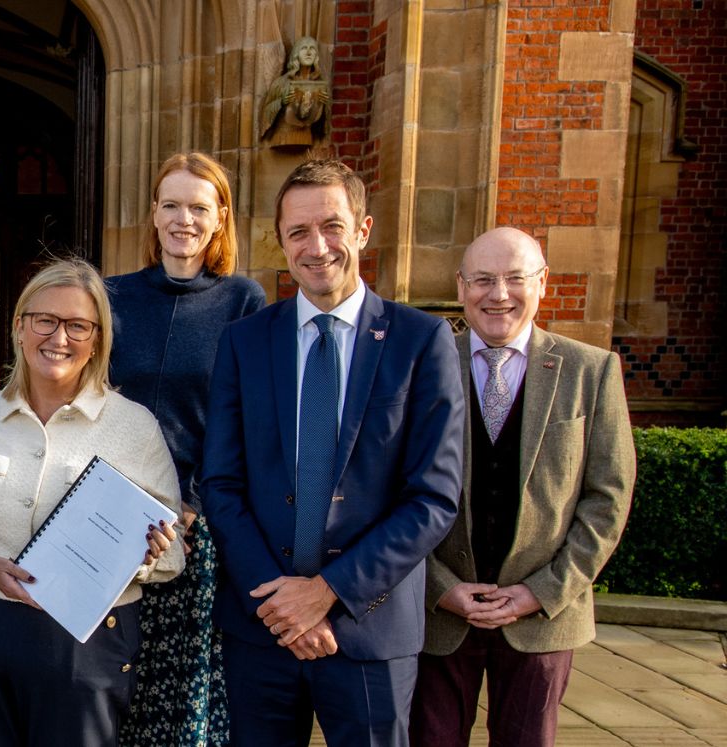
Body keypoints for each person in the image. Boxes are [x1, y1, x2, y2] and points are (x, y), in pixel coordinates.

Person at [201, 159, 466, 746]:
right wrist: (279, 602)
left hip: (369, 630)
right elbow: (219, 483)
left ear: (363, 230)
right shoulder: (245, 342)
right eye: (298, 232)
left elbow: (433, 497)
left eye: (332, 226)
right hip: (261, 632)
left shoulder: (422, 342)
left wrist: (326, 593)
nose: (316, 247)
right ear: (281, 243)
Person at [0, 257, 184, 747]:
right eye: (45, 320)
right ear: (19, 327)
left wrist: (148, 555)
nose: (59, 337)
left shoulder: (134, 427)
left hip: (87, 646)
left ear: (98, 339)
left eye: (78, 325)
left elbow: (175, 554)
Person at [411, 227, 635, 746]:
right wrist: (439, 589)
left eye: (515, 279)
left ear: (543, 283)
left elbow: (608, 499)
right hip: (440, 617)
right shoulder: (422, 364)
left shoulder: (591, 371)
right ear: (462, 285)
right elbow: (387, 490)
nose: (499, 294)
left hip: (543, 617)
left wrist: (541, 592)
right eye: (484, 280)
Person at [108, 152, 264, 746]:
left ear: (220, 217)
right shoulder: (112, 295)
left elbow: (241, 419)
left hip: (196, 525)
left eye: (199, 207)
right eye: (171, 205)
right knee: (108, 676)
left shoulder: (242, 302)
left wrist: (191, 504)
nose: (183, 219)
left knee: (182, 691)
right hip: (110, 513)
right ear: (153, 213)